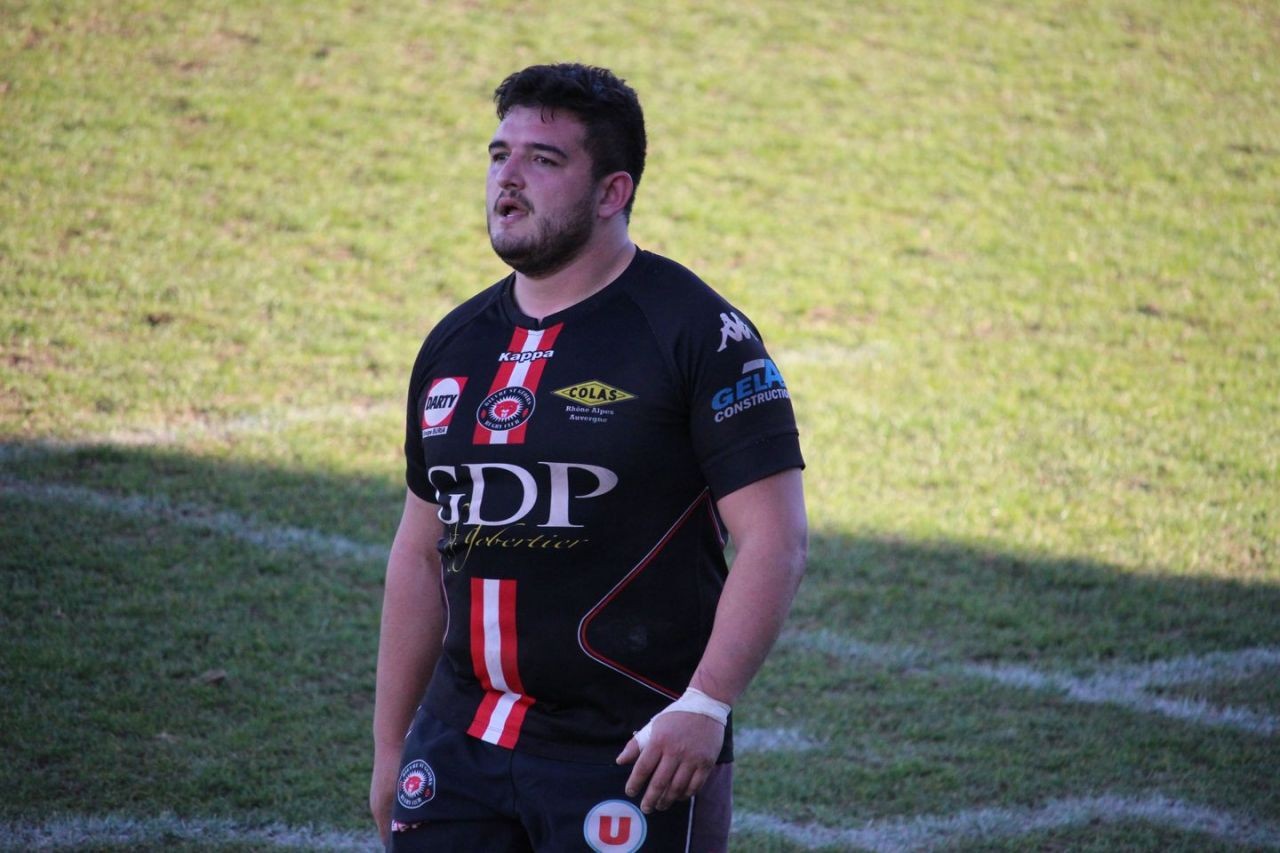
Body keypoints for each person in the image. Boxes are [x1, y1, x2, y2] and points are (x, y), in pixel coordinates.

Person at [370, 63, 807, 852]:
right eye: (499, 154)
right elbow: (418, 549)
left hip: (634, 750)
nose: (508, 177)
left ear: (613, 192)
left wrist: (706, 703)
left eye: (543, 159)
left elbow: (775, 538)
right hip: (455, 745)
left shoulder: (697, 332)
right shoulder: (453, 344)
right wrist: (388, 743)